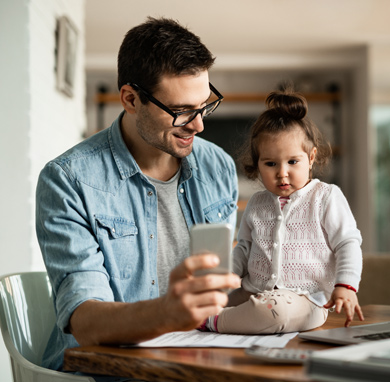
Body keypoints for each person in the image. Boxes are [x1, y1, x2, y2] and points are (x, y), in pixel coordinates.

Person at [35, 17, 241, 371]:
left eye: (204, 104)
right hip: (105, 373)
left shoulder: (218, 166)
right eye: (180, 112)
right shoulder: (67, 180)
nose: (199, 124)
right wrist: (167, 313)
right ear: (131, 99)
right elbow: (84, 321)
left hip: (199, 362)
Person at [199, 89, 364, 334]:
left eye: (293, 162)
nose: (282, 172)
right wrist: (222, 281)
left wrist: (346, 286)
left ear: (311, 158)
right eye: (270, 164)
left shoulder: (326, 197)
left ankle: (213, 322)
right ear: (257, 164)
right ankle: (214, 315)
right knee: (203, 303)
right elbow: (243, 249)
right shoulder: (257, 202)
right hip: (251, 292)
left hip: (306, 300)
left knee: (275, 312)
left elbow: (347, 243)